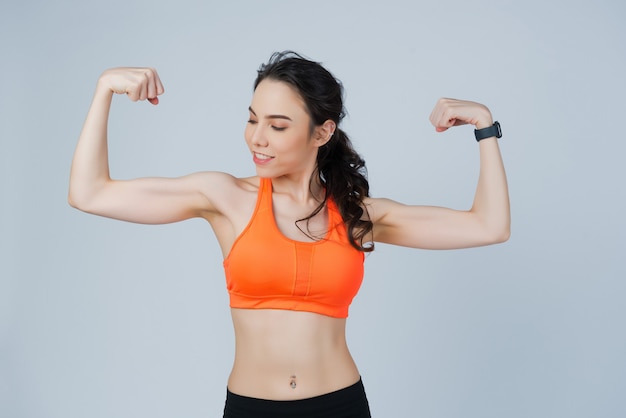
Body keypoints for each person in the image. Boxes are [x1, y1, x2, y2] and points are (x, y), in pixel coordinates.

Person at [68, 51, 510, 417]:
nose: (257, 139)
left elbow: (488, 226)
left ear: (323, 132)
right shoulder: (225, 197)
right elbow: (90, 193)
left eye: (278, 126)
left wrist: (484, 126)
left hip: (340, 405)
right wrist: (104, 89)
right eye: (252, 119)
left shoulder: (357, 214)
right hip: (251, 408)